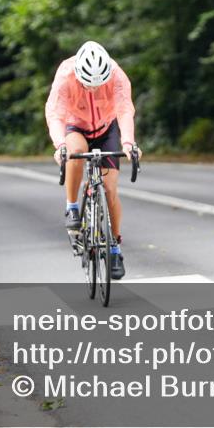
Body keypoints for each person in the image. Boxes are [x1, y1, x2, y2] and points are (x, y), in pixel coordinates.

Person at [45, 41, 141, 280]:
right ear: (79, 74)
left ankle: (115, 248)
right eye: (88, 85)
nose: (93, 90)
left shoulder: (117, 75)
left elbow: (124, 110)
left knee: (110, 189)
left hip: (106, 128)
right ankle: (72, 207)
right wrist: (60, 146)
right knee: (75, 150)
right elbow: (55, 113)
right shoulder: (66, 74)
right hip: (76, 125)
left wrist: (128, 143)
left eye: (98, 85)